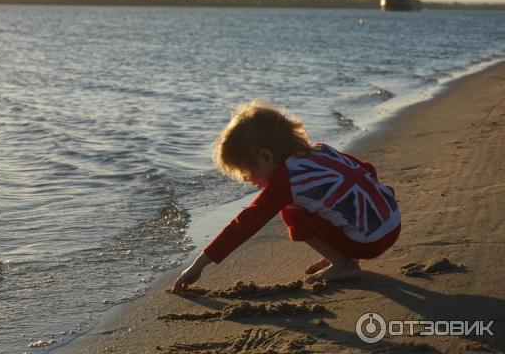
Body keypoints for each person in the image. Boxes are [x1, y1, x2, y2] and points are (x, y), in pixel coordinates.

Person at [172, 98, 401, 293]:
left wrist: (199, 264)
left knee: (291, 212)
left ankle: (344, 263)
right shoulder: (322, 150)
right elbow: (367, 170)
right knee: (320, 202)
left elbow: (245, 224)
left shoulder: (287, 182)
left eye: (245, 171)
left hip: (369, 242)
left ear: (265, 157)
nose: (245, 179)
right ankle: (345, 254)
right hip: (392, 220)